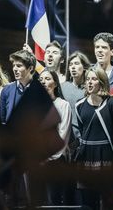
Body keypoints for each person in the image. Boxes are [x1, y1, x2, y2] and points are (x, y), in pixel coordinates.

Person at [73, 67, 113, 209]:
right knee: (88, 199)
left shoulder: (112, 103)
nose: (89, 82)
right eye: (88, 79)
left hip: (106, 154)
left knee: (108, 199)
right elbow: (82, 130)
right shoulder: (79, 104)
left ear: (101, 81)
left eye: (94, 79)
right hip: (86, 155)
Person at [39, 69, 72, 205]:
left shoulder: (63, 105)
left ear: (55, 84)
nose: (43, 82)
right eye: (41, 79)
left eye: (47, 79)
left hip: (55, 159)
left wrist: (49, 156)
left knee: (54, 199)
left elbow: (63, 134)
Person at [0, 50, 36, 124]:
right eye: (13, 66)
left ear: (30, 68)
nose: (15, 69)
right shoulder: (6, 90)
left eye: (19, 66)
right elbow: (2, 120)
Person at [61, 51, 91, 140]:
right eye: (70, 65)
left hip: (84, 136)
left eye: (77, 63)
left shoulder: (89, 88)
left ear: (84, 67)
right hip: (65, 136)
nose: (73, 67)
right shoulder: (62, 87)